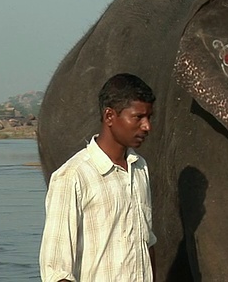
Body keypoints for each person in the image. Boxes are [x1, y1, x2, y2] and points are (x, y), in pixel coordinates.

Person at [39, 73, 157, 282]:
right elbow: (57, 271)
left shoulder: (139, 168)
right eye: (138, 117)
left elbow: (146, 243)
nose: (147, 126)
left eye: (149, 117)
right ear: (110, 116)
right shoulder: (72, 177)